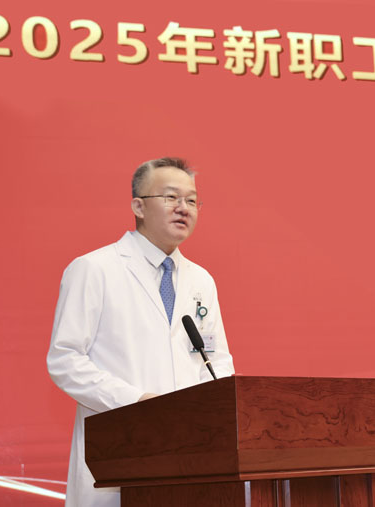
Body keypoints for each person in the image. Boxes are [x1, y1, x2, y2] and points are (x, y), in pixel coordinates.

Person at [47, 157, 234, 507]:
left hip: (191, 454)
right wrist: (135, 402)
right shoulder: (94, 269)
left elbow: (217, 360)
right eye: (171, 197)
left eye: (192, 200)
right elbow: (65, 360)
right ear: (138, 206)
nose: (184, 208)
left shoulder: (201, 280)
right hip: (118, 453)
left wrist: (215, 412)